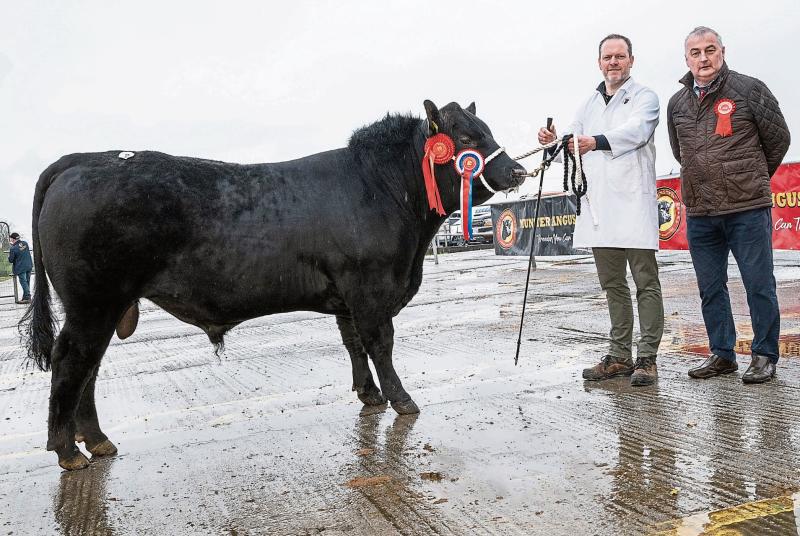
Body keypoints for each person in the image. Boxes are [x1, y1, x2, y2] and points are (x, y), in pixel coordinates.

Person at [538, 34, 663, 386]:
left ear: (631, 60)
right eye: (608, 57)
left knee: (645, 283)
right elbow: (572, 139)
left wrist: (597, 142)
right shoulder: (588, 104)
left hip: (633, 204)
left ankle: (647, 358)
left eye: (620, 56)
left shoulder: (644, 97)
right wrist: (554, 142)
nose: (613, 62)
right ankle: (619, 356)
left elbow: (637, 131)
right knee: (612, 284)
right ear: (599, 62)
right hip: (599, 208)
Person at [667, 27, 790, 384]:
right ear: (686, 58)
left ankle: (765, 354)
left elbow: (778, 139)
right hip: (702, 212)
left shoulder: (750, 89)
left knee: (758, 284)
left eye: (710, 50)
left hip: (746, 208)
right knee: (710, 288)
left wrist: (748, 176)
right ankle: (722, 354)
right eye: (695, 53)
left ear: (722, 51)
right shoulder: (677, 102)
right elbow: (681, 151)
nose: (703, 59)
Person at [8, 232, 33, 304]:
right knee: (27, 281)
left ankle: (28, 297)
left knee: (23, 282)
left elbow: (11, 260)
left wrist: (11, 251)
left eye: (11, 238)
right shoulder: (25, 243)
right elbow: (22, 249)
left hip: (20, 267)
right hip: (29, 265)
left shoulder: (13, 248)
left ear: (13, 239)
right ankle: (25, 298)